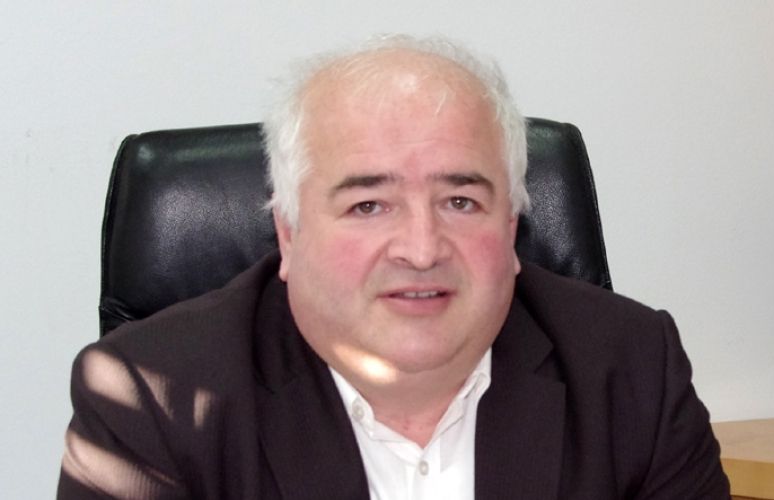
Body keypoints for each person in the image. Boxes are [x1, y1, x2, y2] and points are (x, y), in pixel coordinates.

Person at [58, 35, 729, 499]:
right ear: (288, 233)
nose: (421, 248)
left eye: (461, 201)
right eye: (368, 205)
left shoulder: (631, 368)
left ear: (511, 228)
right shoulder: (154, 396)